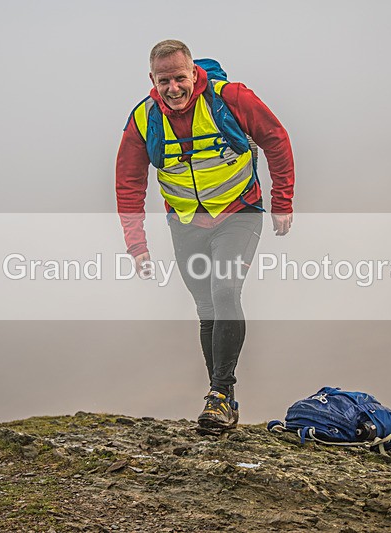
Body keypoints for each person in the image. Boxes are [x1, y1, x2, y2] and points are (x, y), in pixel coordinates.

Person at [116, 40, 295, 431]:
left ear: (194, 72)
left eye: (180, 78)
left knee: (225, 291)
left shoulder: (230, 98)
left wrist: (282, 201)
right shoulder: (144, 118)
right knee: (207, 309)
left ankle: (219, 394)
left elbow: (275, 138)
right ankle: (223, 399)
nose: (173, 88)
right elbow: (128, 182)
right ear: (152, 79)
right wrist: (136, 245)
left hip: (239, 212)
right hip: (186, 224)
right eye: (164, 81)